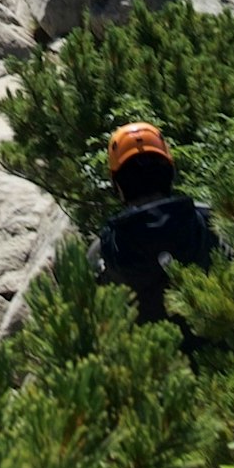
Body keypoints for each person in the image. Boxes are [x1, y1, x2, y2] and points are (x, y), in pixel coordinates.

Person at [92, 115, 220, 319]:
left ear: (118, 187)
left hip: (143, 350)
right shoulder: (211, 222)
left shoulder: (104, 248)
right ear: (169, 173)